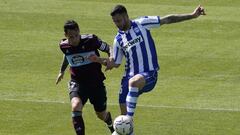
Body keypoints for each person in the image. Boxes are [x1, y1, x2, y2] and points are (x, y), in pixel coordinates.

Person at [89, 4, 206, 135]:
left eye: (119, 20)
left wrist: (192, 15)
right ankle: (126, 126)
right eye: (114, 21)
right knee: (123, 125)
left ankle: (129, 119)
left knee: (130, 100)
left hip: (149, 74)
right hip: (128, 77)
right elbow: (115, 63)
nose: (117, 24)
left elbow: (167, 19)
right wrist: (99, 60)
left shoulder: (142, 23)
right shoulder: (118, 39)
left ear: (126, 16)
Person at [55, 20, 114, 135]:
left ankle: (111, 125)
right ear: (65, 35)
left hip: (95, 83)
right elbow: (67, 55)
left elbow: (108, 48)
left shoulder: (91, 40)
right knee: (76, 105)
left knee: (101, 115)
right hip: (77, 82)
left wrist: (111, 58)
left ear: (79, 32)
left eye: (76, 36)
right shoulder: (63, 45)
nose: (74, 39)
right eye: (71, 37)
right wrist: (61, 71)